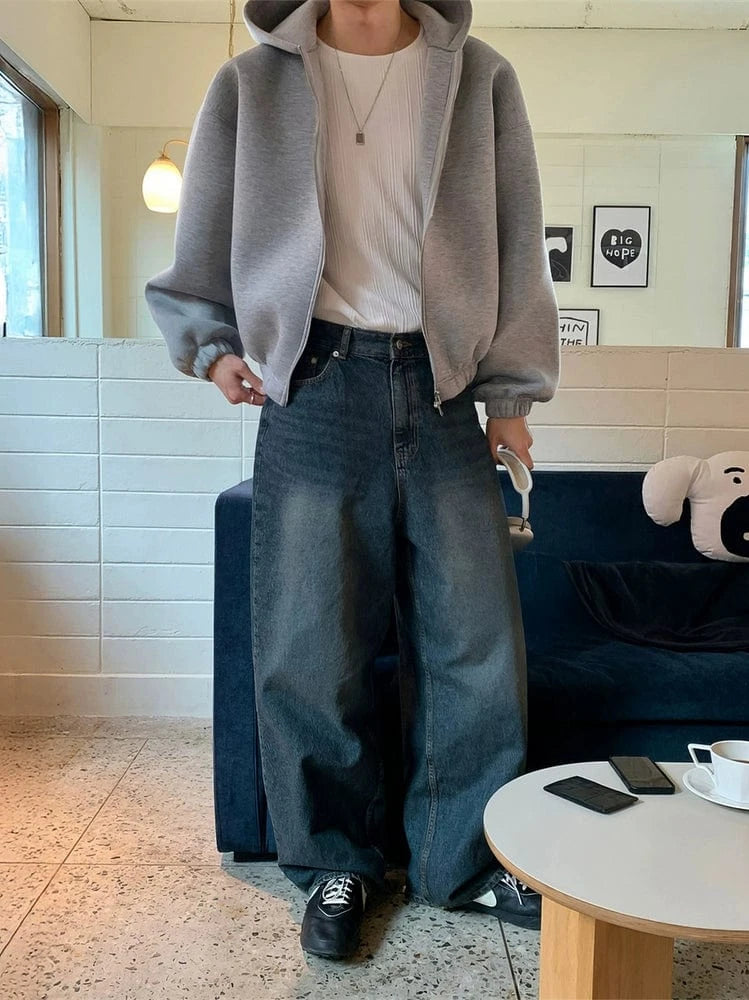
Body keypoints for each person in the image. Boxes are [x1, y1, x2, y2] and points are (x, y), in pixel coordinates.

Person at [145, 0, 560, 961]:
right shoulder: (250, 84)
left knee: (475, 644)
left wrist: (510, 396)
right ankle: (336, 861)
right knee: (308, 643)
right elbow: (202, 240)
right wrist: (212, 346)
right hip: (314, 386)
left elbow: (516, 237)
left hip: (445, 388)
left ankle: (462, 861)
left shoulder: (480, 77)